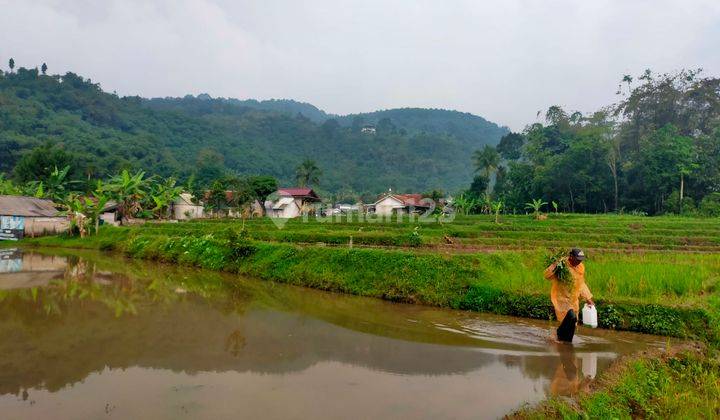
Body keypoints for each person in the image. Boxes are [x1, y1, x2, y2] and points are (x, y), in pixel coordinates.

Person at [544, 248, 594, 342]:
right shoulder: (561, 265)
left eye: (581, 260)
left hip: (573, 299)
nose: (579, 262)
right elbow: (547, 276)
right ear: (571, 256)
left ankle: (565, 341)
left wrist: (588, 298)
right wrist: (554, 265)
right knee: (571, 317)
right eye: (577, 259)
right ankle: (559, 333)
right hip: (561, 298)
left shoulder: (580, 268)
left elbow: (581, 284)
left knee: (572, 323)